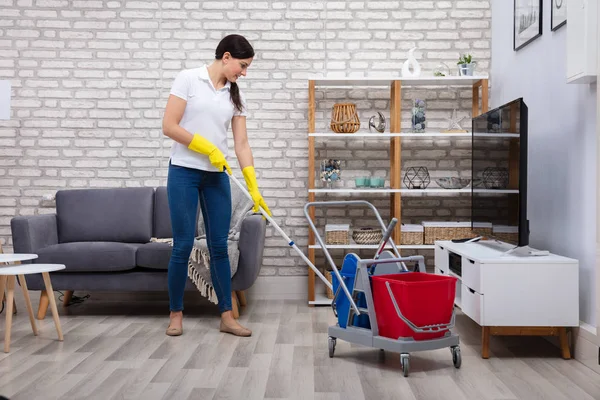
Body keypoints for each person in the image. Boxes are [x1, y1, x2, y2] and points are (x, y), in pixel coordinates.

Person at [161, 34, 271, 337]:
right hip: (184, 171)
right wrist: (204, 146)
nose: (244, 73)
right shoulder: (188, 79)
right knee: (182, 246)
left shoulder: (235, 95)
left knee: (219, 246)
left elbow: (242, 143)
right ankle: (175, 314)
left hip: (216, 177)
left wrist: (253, 186)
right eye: (243, 65)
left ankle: (226, 315)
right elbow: (169, 125)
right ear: (226, 57)